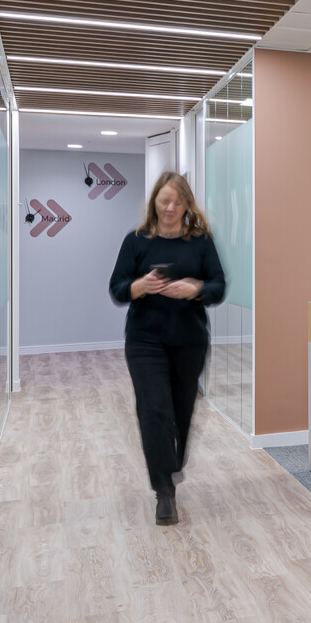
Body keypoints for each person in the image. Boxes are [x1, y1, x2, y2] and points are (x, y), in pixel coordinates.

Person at [109, 171, 226, 526]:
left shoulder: (201, 241)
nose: (170, 208)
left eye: (177, 202)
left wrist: (196, 289)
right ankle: (164, 491)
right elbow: (117, 289)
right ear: (154, 203)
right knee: (154, 411)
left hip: (189, 341)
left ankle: (172, 463)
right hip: (145, 341)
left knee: (181, 411)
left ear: (187, 205)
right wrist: (141, 286)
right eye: (164, 201)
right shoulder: (136, 241)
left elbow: (218, 287)